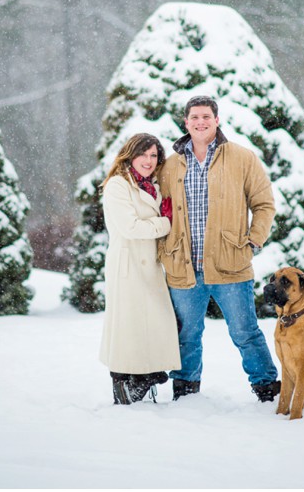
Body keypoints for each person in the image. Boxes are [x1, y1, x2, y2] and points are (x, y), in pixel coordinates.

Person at [156, 96, 281, 402]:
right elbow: (158, 208)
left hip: (230, 262)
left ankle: (266, 385)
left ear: (217, 120)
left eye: (206, 117)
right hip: (183, 265)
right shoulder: (171, 165)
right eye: (194, 117)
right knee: (186, 335)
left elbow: (263, 204)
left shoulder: (241, 157)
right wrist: (163, 248)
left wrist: (254, 239)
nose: (200, 122)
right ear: (186, 123)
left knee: (245, 332)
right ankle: (185, 387)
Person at [99, 133, 181, 404]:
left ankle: (144, 375)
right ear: (130, 155)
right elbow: (130, 227)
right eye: (143, 154)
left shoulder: (152, 185)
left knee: (153, 323)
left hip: (150, 264)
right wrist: (166, 222)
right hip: (128, 264)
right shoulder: (118, 185)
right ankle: (125, 383)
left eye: (154, 155)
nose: (148, 161)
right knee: (128, 326)